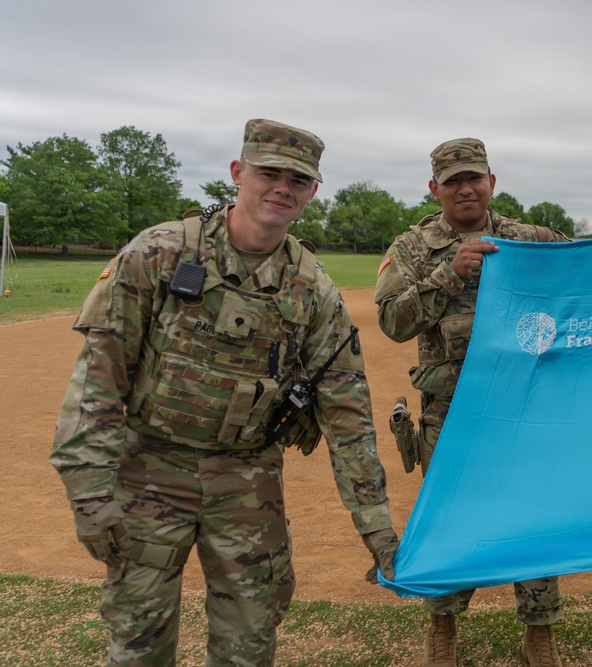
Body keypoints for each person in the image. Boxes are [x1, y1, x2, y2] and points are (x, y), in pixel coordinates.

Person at [50, 119, 399, 666]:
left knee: (251, 640)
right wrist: (89, 493)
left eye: (299, 180)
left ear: (313, 191)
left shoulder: (314, 291)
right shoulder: (158, 255)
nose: (283, 188)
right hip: (149, 471)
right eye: (269, 173)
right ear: (238, 173)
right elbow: (99, 381)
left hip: (247, 480)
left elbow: (348, 415)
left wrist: (377, 529)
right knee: (138, 639)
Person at [374, 137, 570, 667]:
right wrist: (448, 273)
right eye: (453, 180)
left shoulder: (530, 239)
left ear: (492, 182)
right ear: (434, 188)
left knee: (533, 517)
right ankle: (443, 626)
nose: (465, 188)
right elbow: (392, 321)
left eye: (474, 178)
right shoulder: (412, 248)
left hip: (525, 407)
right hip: (451, 412)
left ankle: (539, 630)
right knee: (451, 519)